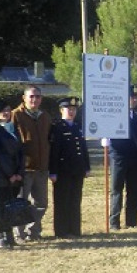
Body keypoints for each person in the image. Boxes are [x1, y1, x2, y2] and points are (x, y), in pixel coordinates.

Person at [102, 85, 137, 230]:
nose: (133, 100)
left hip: (134, 157)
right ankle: (114, 221)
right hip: (118, 156)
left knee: (133, 190)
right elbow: (104, 126)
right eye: (130, 97)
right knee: (116, 190)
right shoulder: (115, 115)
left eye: (135, 97)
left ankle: (131, 221)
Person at [11, 84, 51, 242]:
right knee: (21, 203)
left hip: (41, 167)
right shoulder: (16, 115)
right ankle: (19, 234)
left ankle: (33, 231)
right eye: (31, 96)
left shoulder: (45, 116)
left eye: (38, 96)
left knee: (41, 203)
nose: (35, 99)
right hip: (24, 168)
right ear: (24, 98)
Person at [48, 97, 90, 238]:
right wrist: (53, 171)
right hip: (63, 170)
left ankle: (75, 229)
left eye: (73, 109)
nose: (71, 112)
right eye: (68, 109)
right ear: (61, 110)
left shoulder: (78, 126)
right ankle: (62, 231)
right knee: (62, 201)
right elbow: (54, 151)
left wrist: (87, 166)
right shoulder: (57, 127)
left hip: (77, 169)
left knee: (75, 200)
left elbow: (83, 149)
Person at [0, 100, 25, 248]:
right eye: (2, 111)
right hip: (0, 174)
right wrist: (9, 174)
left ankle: (9, 235)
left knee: (11, 205)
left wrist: (19, 173)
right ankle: (0, 234)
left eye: (8, 110)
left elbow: (21, 152)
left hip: (16, 174)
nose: (6, 113)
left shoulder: (13, 128)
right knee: (0, 205)